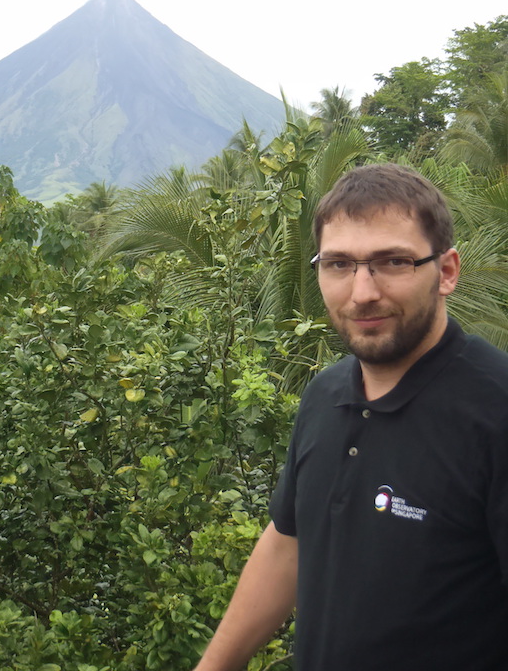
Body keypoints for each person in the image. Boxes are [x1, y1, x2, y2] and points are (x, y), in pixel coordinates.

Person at [193, 163, 508, 671]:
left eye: (392, 262)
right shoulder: (324, 394)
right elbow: (288, 544)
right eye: (339, 264)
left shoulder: (495, 412)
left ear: (446, 271)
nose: (362, 292)